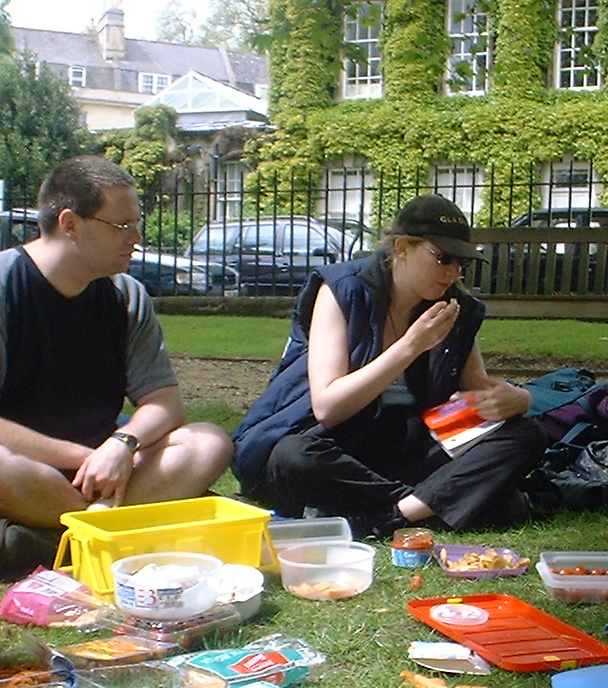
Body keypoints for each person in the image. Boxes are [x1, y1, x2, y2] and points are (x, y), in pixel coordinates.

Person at [0, 155, 233, 581]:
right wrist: (92, 458)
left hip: (102, 467)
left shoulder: (126, 296)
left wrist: (122, 444)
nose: (136, 238)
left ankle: (53, 537)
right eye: (122, 226)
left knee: (209, 443)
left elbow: (165, 403)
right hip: (21, 469)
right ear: (70, 224)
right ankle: (110, 529)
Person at [230, 193, 549, 538]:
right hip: (339, 442)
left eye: (463, 263)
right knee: (293, 457)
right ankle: (436, 504)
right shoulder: (342, 290)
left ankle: (392, 516)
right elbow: (328, 407)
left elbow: (474, 392)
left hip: (408, 444)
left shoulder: (456, 307)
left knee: (527, 435)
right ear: (401, 247)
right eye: (443, 257)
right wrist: (411, 346)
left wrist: (520, 399)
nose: (454, 272)